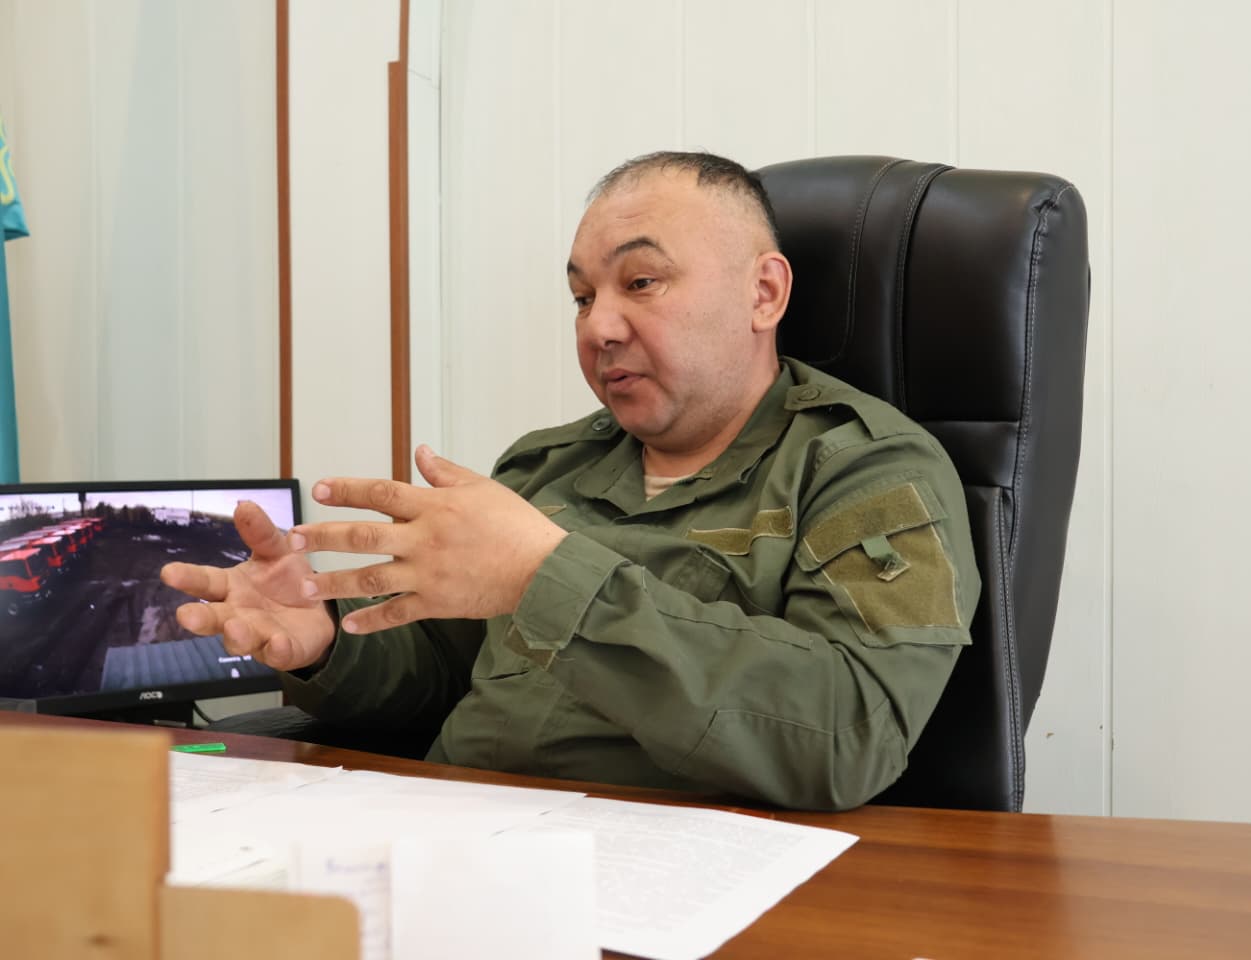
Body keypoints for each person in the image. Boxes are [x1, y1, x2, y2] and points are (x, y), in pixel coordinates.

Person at [162, 151, 979, 811]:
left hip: (682, 874)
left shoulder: (865, 469)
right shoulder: (546, 466)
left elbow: (851, 735)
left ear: (763, 293)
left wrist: (545, 578)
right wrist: (326, 642)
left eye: (641, 282)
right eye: (582, 297)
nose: (599, 327)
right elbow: (438, 675)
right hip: (459, 837)